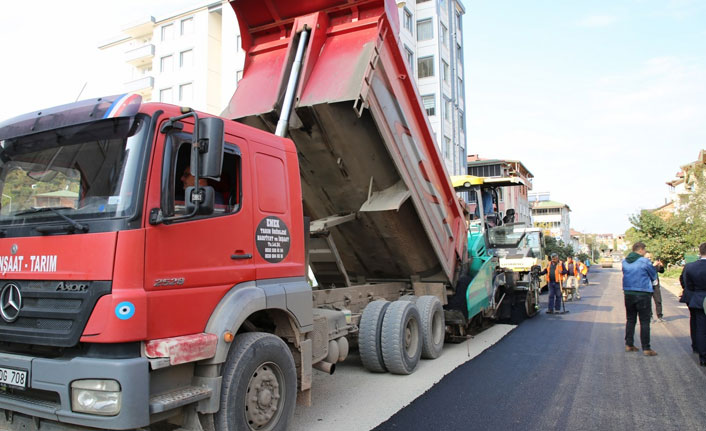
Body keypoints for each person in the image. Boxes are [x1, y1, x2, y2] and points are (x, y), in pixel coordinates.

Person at [622, 242, 658, 356]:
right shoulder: (644, 261)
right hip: (643, 293)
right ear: (641, 250)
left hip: (628, 293)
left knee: (630, 319)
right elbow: (653, 275)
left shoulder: (625, 261)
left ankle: (629, 344)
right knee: (644, 321)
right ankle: (646, 348)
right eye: (645, 250)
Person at [679, 242, 706, 367]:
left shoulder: (690, 267)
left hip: (698, 298)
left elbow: (688, 286)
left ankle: (703, 356)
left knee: (700, 328)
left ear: (700, 252)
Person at [645, 252, 665, 322]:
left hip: (655, 285)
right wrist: (653, 266)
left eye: (650, 257)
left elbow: (661, 271)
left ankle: (660, 316)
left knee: (658, 300)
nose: (649, 259)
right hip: (648, 285)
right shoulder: (645, 265)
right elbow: (647, 272)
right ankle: (650, 316)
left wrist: (661, 266)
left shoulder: (654, 263)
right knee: (648, 302)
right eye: (647, 257)